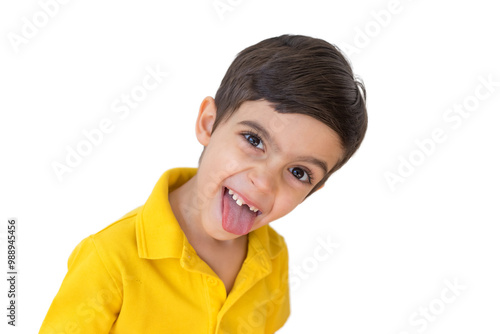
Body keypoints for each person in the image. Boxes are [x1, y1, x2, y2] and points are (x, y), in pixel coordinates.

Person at [39, 34, 368, 333]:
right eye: (254, 140)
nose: (263, 182)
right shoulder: (109, 258)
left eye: (299, 173)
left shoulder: (272, 257)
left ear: (313, 190)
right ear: (208, 124)